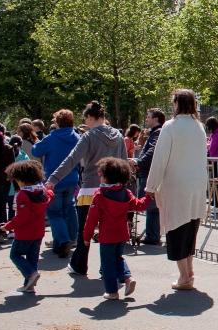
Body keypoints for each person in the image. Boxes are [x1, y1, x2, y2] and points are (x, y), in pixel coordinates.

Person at [46, 101, 127, 276]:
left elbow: (72, 159)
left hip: (90, 189)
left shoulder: (89, 136)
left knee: (85, 231)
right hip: (113, 190)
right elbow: (124, 163)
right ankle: (109, 267)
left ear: (91, 117)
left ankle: (79, 264)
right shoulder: (119, 136)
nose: (85, 122)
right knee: (109, 232)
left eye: (86, 119)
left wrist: (53, 179)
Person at [144, 89, 208, 290]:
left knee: (176, 228)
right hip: (197, 184)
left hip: (176, 184)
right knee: (191, 227)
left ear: (177, 103)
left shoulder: (171, 127)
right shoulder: (199, 127)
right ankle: (189, 271)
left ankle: (184, 276)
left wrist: (151, 185)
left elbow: (160, 158)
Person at [83, 157, 151, 300]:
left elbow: (91, 219)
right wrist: (148, 197)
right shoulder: (126, 193)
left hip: (107, 236)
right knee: (118, 258)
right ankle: (127, 278)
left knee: (107, 264)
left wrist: (86, 236)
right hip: (122, 234)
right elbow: (139, 205)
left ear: (106, 177)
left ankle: (112, 291)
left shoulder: (99, 196)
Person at [32, 109, 81, 258]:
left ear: (58, 122)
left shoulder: (51, 137)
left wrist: (37, 141)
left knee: (54, 212)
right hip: (72, 177)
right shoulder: (77, 137)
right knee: (70, 208)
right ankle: (73, 238)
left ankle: (62, 240)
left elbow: (36, 151)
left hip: (54, 180)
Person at [0, 160, 53, 293]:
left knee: (15, 255)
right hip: (38, 232)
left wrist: (7, 226)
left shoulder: (23, 195)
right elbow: (50, 196)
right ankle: (29, 285)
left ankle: (30, 274)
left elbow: (22, 217)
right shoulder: (42, 192)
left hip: (25, 233)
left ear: (22, 179)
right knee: (32, 258)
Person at [130, 108, 165, 245]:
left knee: (151, 206)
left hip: (149, 172)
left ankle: (152, 236)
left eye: (149, 117)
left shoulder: (157, 133)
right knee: (152, 207)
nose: (146, 119)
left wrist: (139, 162)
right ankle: (153, 235)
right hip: (148, 171)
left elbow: (152, 151)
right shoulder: (156, 133)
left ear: (156, 119)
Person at [7, 136, 29, 223]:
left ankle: (8, 228)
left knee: (9, 209)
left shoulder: (5, 154)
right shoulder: (24, 156)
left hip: (7, 187)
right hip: (20, 187)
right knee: (19, 209)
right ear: (21, 145)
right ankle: (18, 227)